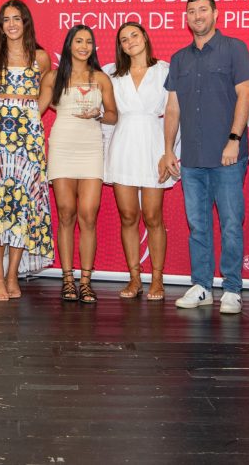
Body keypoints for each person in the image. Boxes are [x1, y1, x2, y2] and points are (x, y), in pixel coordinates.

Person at [159, 0, 249, 313]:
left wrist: (234, 138)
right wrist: (168, 150)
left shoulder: (234, 49)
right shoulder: (179, 59)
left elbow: (245, 95)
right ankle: (201, 285)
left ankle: (232, 289)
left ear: (215, 13)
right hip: (192, 161)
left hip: (227, 156)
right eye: (191, 11)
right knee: (197, 225)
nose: (197, 16)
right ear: (186, 18)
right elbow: (172, 108)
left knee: (230, 223)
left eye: (203, 10)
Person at [0, 0, 54, 301]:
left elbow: (45, 96)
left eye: (17, 18)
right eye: (6, 20)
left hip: (29, 138)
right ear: (0, 25)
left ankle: (14, 274)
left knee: (23, 202)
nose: (12, 24)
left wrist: (29, 115)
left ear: (26, 22)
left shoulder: (41, 58)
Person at [39, 25, 117, 303]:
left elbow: (112, 115)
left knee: (88, 214)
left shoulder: (101, 78)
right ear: (69, 44)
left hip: (91, 148)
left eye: (89, 42)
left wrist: (99, 114)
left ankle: (86, 280)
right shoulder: (53, 76)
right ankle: (67, 279)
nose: (84, 46)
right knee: (66, 212)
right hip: (61, 145)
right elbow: (37, 109)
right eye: (79, 41)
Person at [104, 22, 176, 301]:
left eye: (134, 35)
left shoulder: (165, 70)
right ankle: (134, 278)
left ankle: (157, 279)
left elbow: (173, 113)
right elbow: (107, 116)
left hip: (153, 145)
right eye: (124, 39)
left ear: (145, 37)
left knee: (154, 216)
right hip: (122, 145)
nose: (130, 41)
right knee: (128, 216)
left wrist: (169, 152)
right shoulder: (112, 73)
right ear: (120, 46)